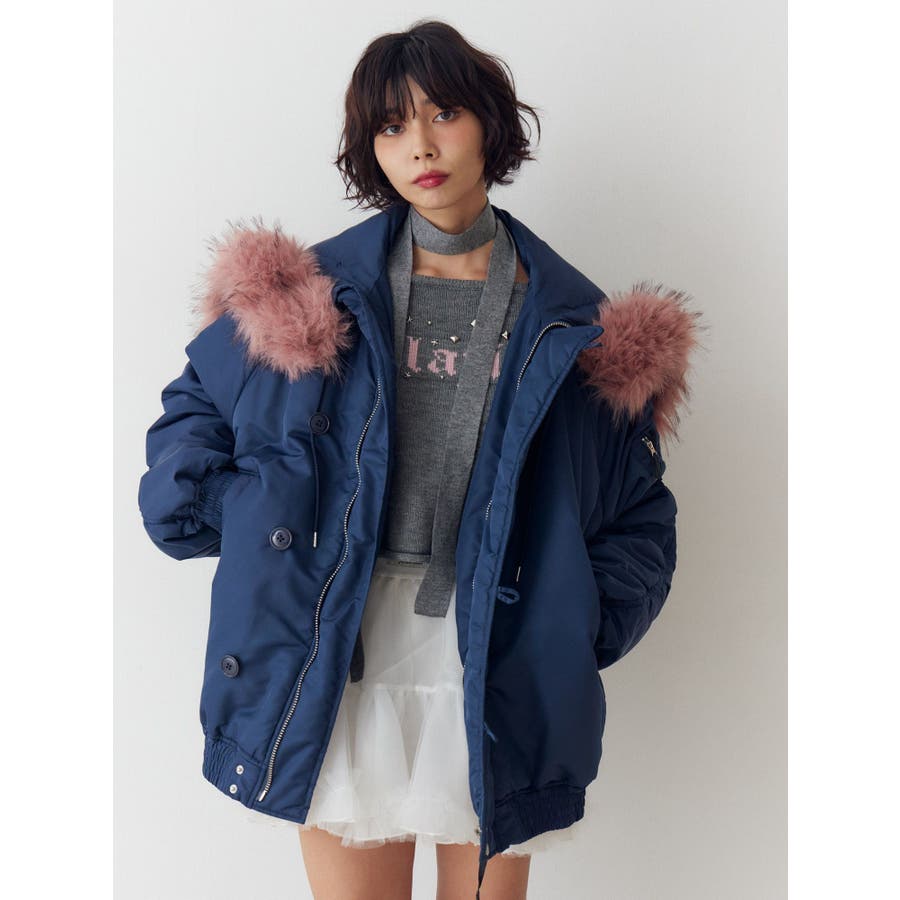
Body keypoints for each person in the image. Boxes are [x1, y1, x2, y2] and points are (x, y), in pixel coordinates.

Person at [137, 18, 702, 900]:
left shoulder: (576, 328)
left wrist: (571, 619)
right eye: (392, 125)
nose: (421, 147)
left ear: (489, 122)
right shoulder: (303, 297)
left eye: (444, 114)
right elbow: (193, 421)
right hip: (337, 640)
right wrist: (257, 524)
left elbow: (638, 516)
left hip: (496, 646)